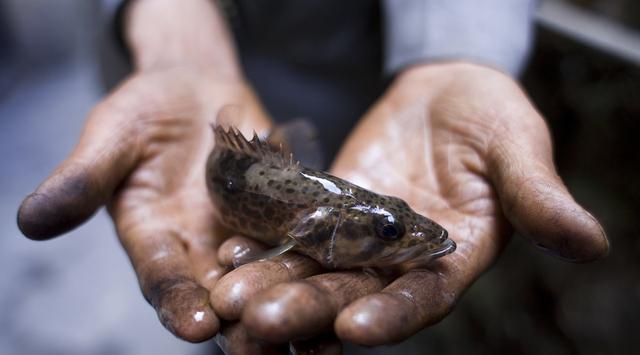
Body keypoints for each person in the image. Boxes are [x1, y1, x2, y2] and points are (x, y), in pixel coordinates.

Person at [17, 0, 609, 353]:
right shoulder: (305, 220)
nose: (398, 236)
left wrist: (457, 51)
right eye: (385, 231)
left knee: (338, 325)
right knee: (224, 307)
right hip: (224, 71)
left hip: (357, 73)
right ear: (313, 229)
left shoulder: (330, 211)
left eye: (388, 228)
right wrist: (175, 34)